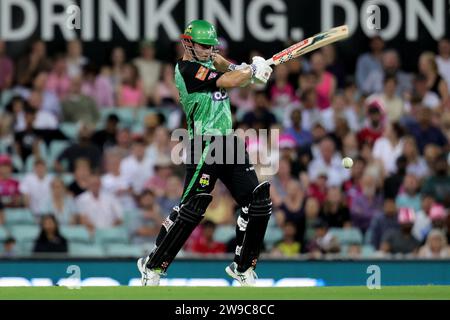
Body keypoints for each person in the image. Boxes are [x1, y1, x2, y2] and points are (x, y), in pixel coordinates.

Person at [137, 20, 274, 287]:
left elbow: (226, 67)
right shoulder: (186, 69)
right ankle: (152, 265)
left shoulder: (211, 59)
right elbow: (228, 79)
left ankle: (243, 268)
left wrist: (248, 71)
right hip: (205, 146)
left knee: (258, 204)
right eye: (203, 46)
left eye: (212, 46)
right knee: (192, 209)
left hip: (230, 143)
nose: (209, 51)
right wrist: (251, 71)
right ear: (187, 43)